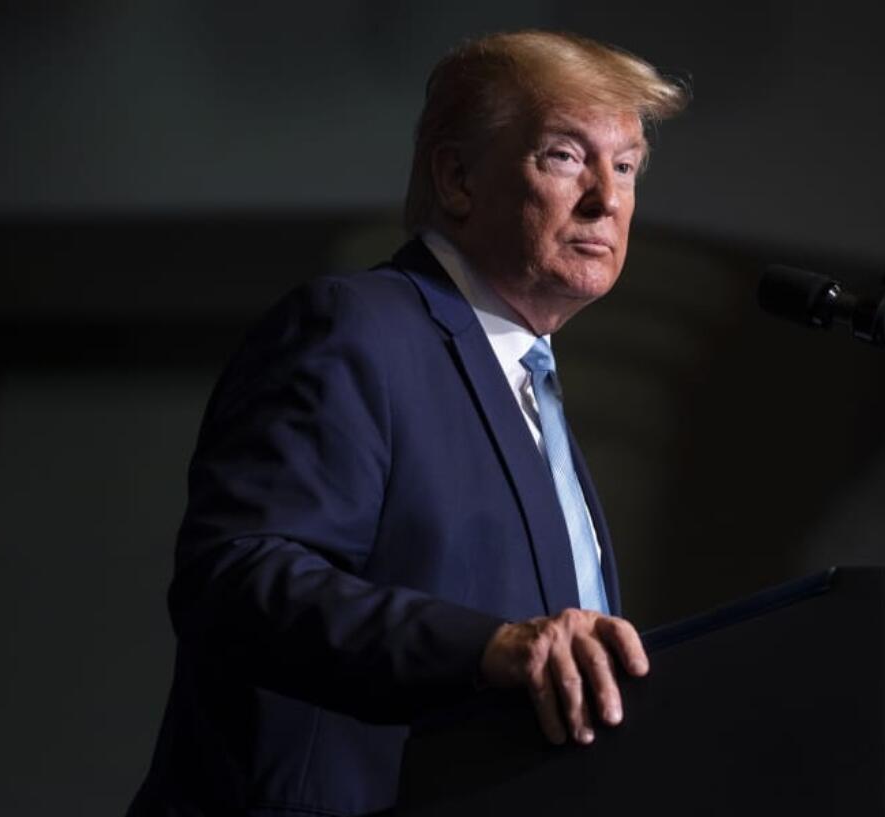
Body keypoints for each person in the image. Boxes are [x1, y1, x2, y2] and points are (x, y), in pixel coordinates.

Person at [128, 29, 688, 816]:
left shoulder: (534, 390)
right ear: (457, 177)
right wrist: (489, 648)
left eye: (625, 166)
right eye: (565, 156)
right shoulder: (359, 328)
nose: (607, 198)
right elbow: (237, 578)